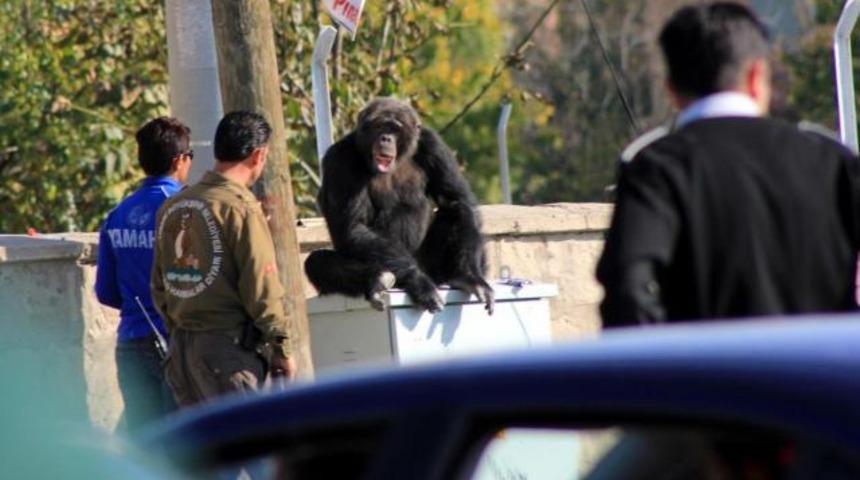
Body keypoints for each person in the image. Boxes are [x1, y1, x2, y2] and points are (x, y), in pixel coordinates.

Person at [597, 2, 860, 328]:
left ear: (671, 90)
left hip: (705, 375)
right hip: (826, 374)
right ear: (756, 75)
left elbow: (629, 288)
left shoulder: (655, 168)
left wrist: (669, 368)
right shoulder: (830, 160)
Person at [151, 111, 295, 407]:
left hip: (182, 354)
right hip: (227, 354)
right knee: (245, 449)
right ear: (259, 155)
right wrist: (282, 347)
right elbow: (261, 288)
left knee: (202, 450)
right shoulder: (240, 208)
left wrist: (182, 327)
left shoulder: (173, 205)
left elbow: (158, 285)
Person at [95, 117, 192, 433]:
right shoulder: (184, 210)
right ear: (179, 160)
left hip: (131, 343)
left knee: (146, 450)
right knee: (184, 446)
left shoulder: (117, 215)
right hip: (177, 342)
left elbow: (106, 292)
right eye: (189, 156)